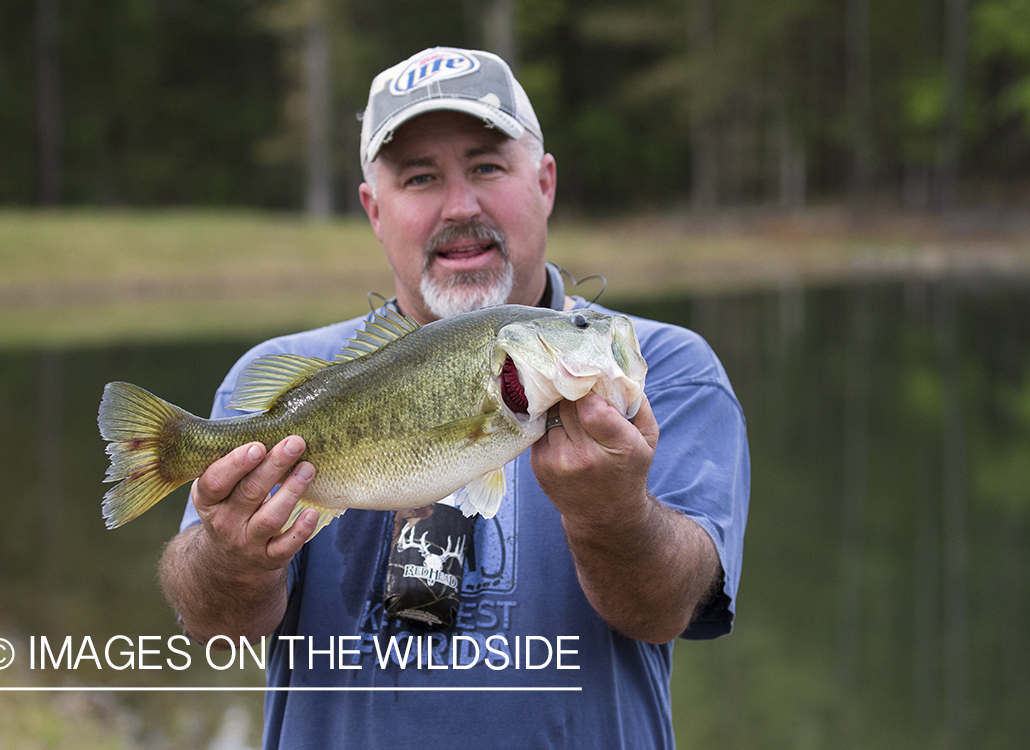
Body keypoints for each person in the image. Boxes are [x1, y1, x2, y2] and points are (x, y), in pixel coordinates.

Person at [159, 47, 749, 748]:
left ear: (545, 182)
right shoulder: (284, 379)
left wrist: (614, 516)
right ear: (374, 210)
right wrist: (230, 559)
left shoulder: (663, 371)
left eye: (487, 166)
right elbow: (214, 627)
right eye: (419, 177)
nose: (460, 205)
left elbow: (664, 611)